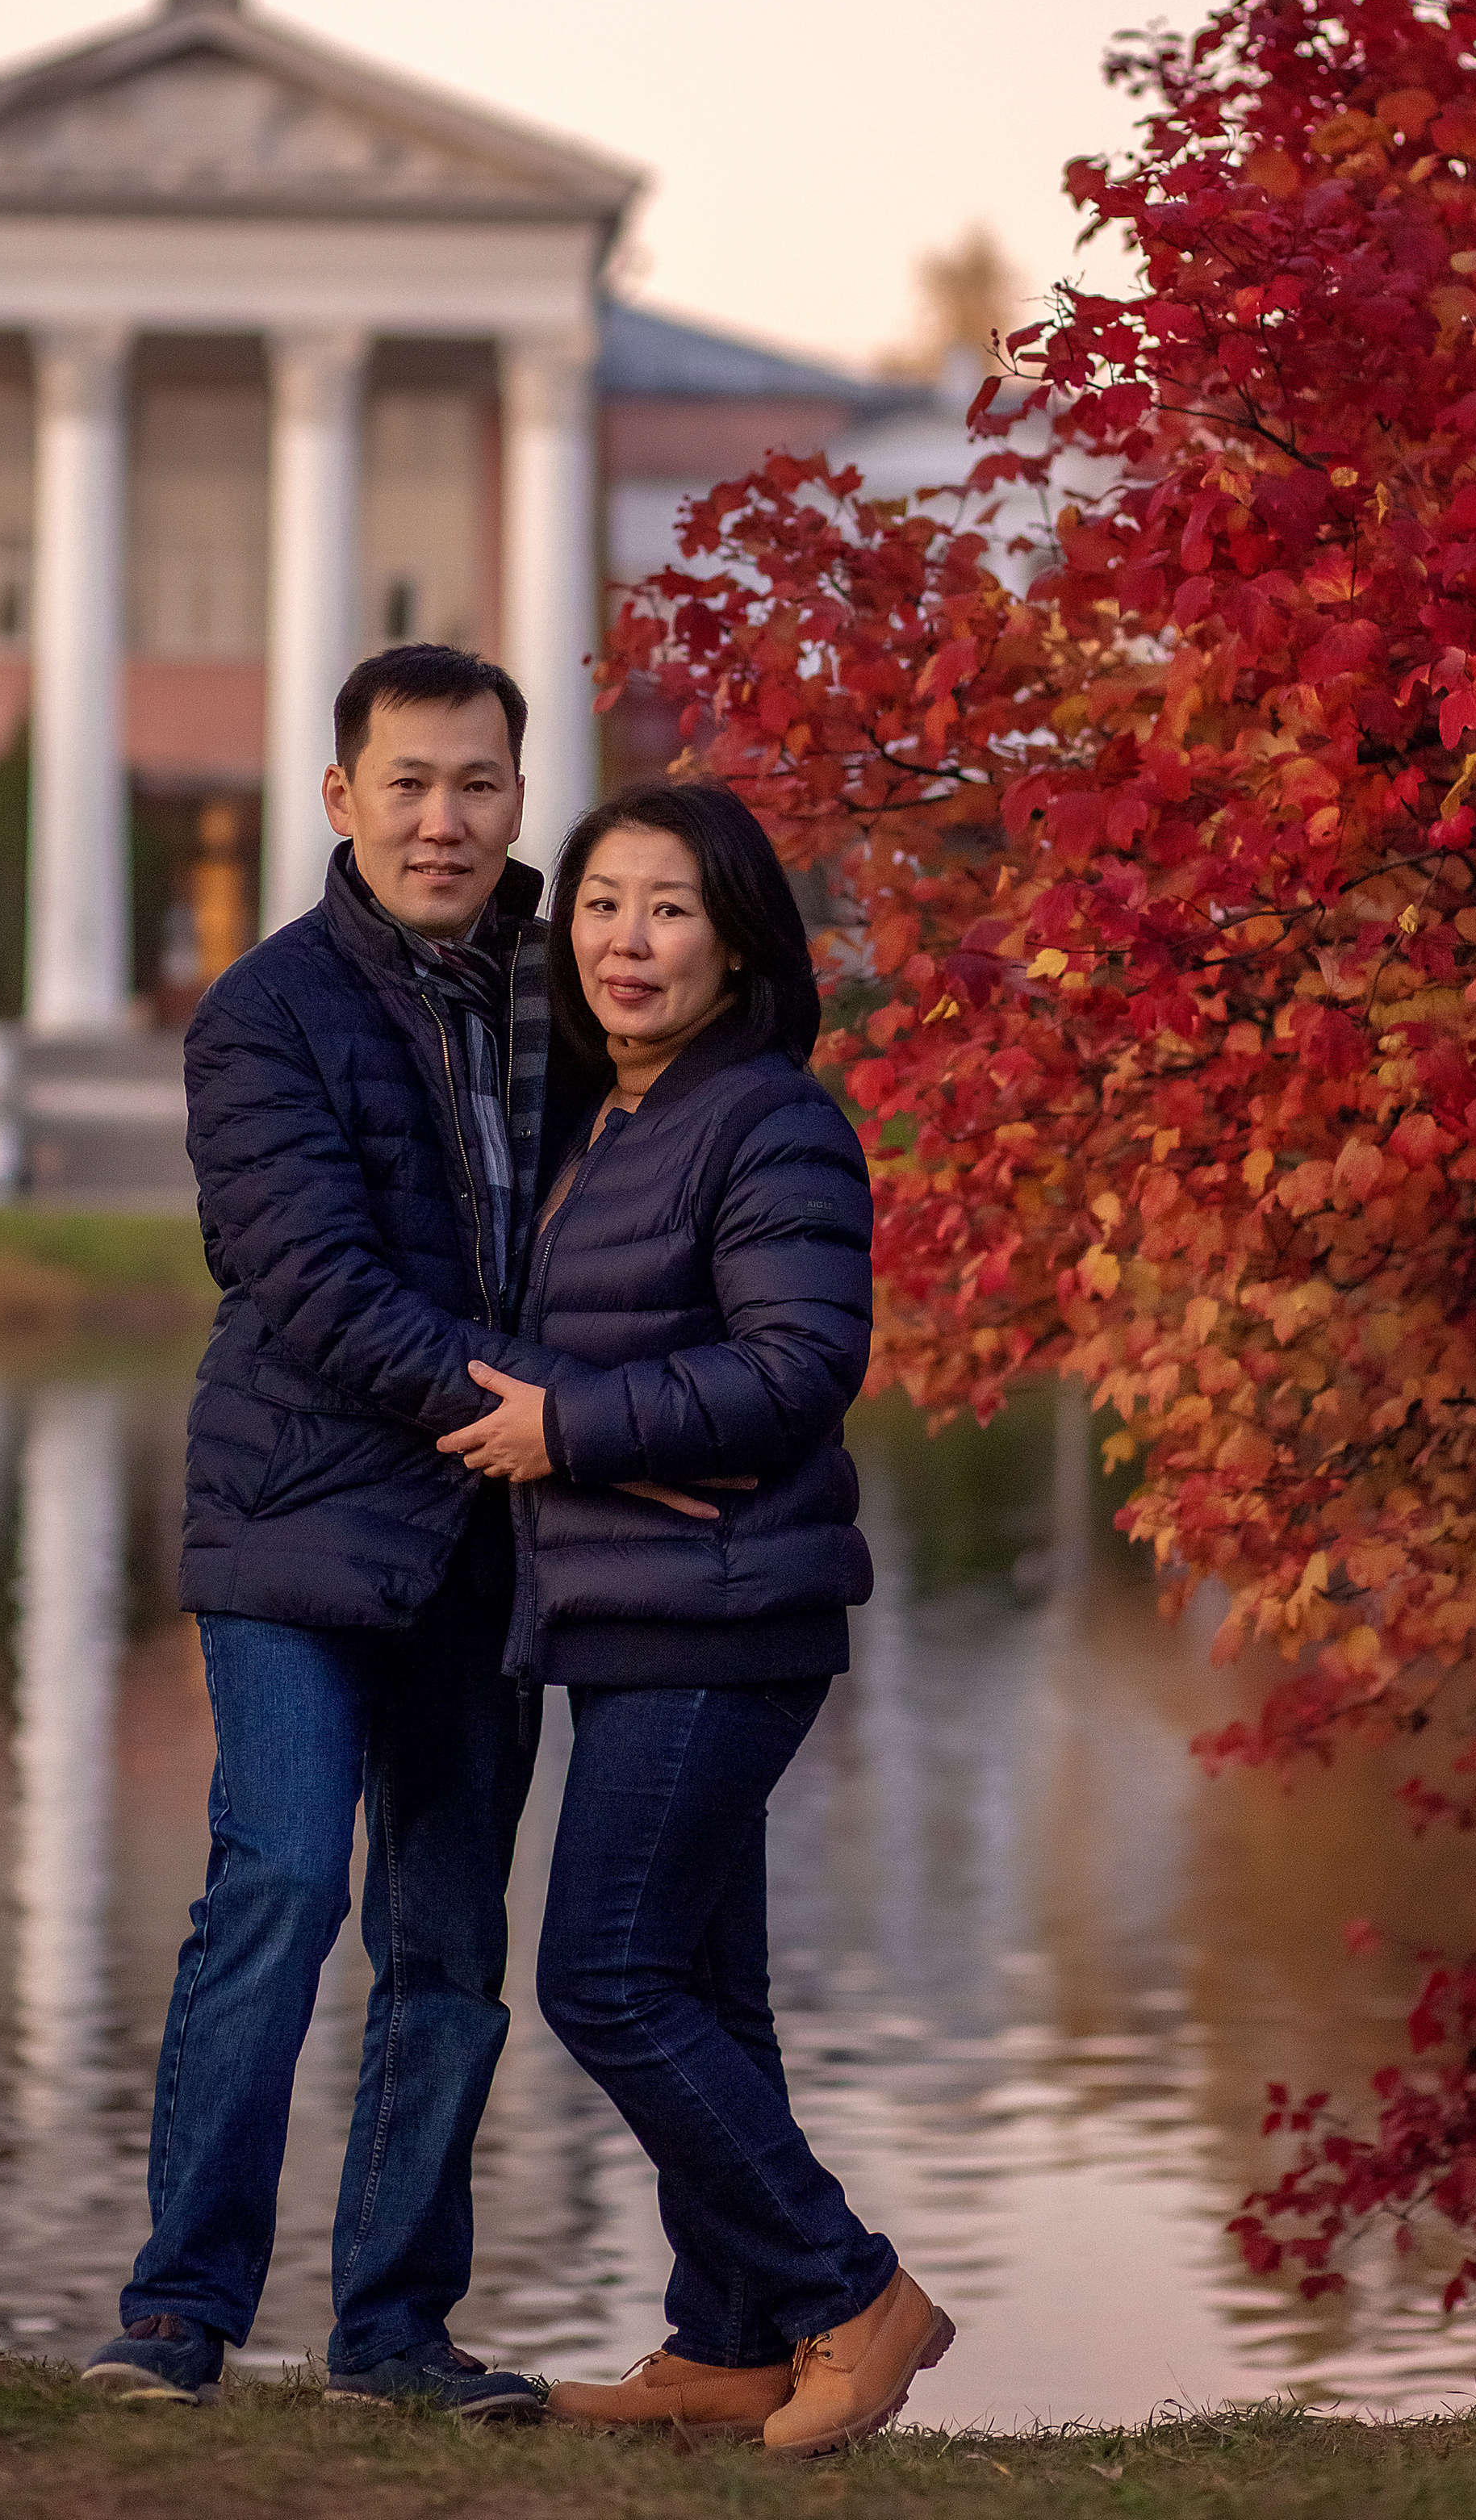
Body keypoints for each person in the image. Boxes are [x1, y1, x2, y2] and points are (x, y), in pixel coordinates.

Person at [436, 778, 956, 2456]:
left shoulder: (767, 1120)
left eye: (664, 907)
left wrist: (569, 1426)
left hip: (725, 1617)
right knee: (704, 1989)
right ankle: (725, 2341)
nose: (623, 940)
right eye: (597, 904)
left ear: (735, 940)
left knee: (603, 1974)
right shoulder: (611, 1120)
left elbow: (800, 1369)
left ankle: (850, 2291)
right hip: (635, 1610)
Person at [82, 642, 571, 2420]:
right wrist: (538, 1409)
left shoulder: (567, 992)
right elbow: (308, 1282)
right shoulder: (266, 1012)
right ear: (339, 798)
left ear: (520, 799)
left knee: (446, 1947)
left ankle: (390, 2339)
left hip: (493, 1540)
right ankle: (175, 2315)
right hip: (298, 1518)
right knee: (280, 1882)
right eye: (410, 784)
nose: (443, 821)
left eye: (479, 786)